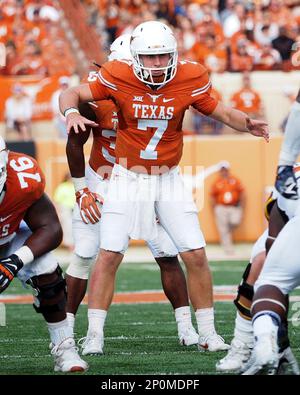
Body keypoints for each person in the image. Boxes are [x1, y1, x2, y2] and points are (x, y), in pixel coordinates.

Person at [59, 21, 268, 356]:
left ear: (174, 54)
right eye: (148, 57)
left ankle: (207, 332)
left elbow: (222, 111)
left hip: (167, 177)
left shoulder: (191, 75)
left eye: (163, 57)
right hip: (126, 177)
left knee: (194, 253)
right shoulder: (117, 75)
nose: (156, 65)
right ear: (133, 58)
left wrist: (247, 124)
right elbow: (71, 94)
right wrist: (70, 113)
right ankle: (94, 334)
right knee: (108, 253)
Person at [66, 34, 199, 352]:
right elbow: (74, 140)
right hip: (103, 176)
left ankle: (187, 327)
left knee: (167, 253)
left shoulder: (162, 92)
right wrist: (81, 190)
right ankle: (66, 330)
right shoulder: (97, 94)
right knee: (86, 253)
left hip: (145, 178)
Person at [0, 137, 87, 373]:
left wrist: (15, 262)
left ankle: (65, 350)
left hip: (7, 238)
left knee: (47, 271)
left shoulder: (23, 178)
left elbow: (51, 229)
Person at [242, 89, 300, 374]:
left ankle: (264, 341)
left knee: (271, 282)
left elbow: (276, 218)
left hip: (291, 206)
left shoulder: (292, 176)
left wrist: (285, 162)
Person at [210, 162, 245, 255]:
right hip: (221, 207)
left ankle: (228, 235)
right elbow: (212, 196)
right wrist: (215, 208)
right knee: (223, 229)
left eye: (225, 170)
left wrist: (241, 206)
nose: (224, 172)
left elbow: (242, 193)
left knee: (235, 222)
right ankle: (228, 249)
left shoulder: (235, 180)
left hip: (234, 207)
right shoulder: (216, 182)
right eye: (222, 170)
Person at [53, 173, 75, 250]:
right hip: (65, 209)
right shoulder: (62, 187)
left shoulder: (75, 186)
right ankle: (70, 245)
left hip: (75, 208)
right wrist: (58, 212)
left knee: (76, 226)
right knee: (68, 227)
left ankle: (75, 244)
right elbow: (57, 201)